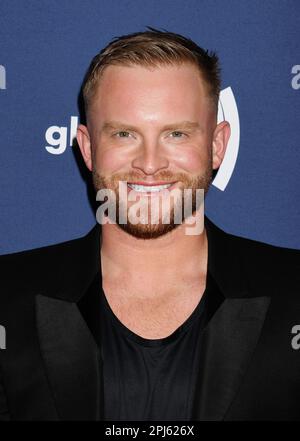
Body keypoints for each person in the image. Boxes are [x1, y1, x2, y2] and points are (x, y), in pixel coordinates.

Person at [0, 27, 300, 421]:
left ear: (217, 146)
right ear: (89, 148)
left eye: (176, 134)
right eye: (125, 134)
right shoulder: (6, 297)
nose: (150, 163)